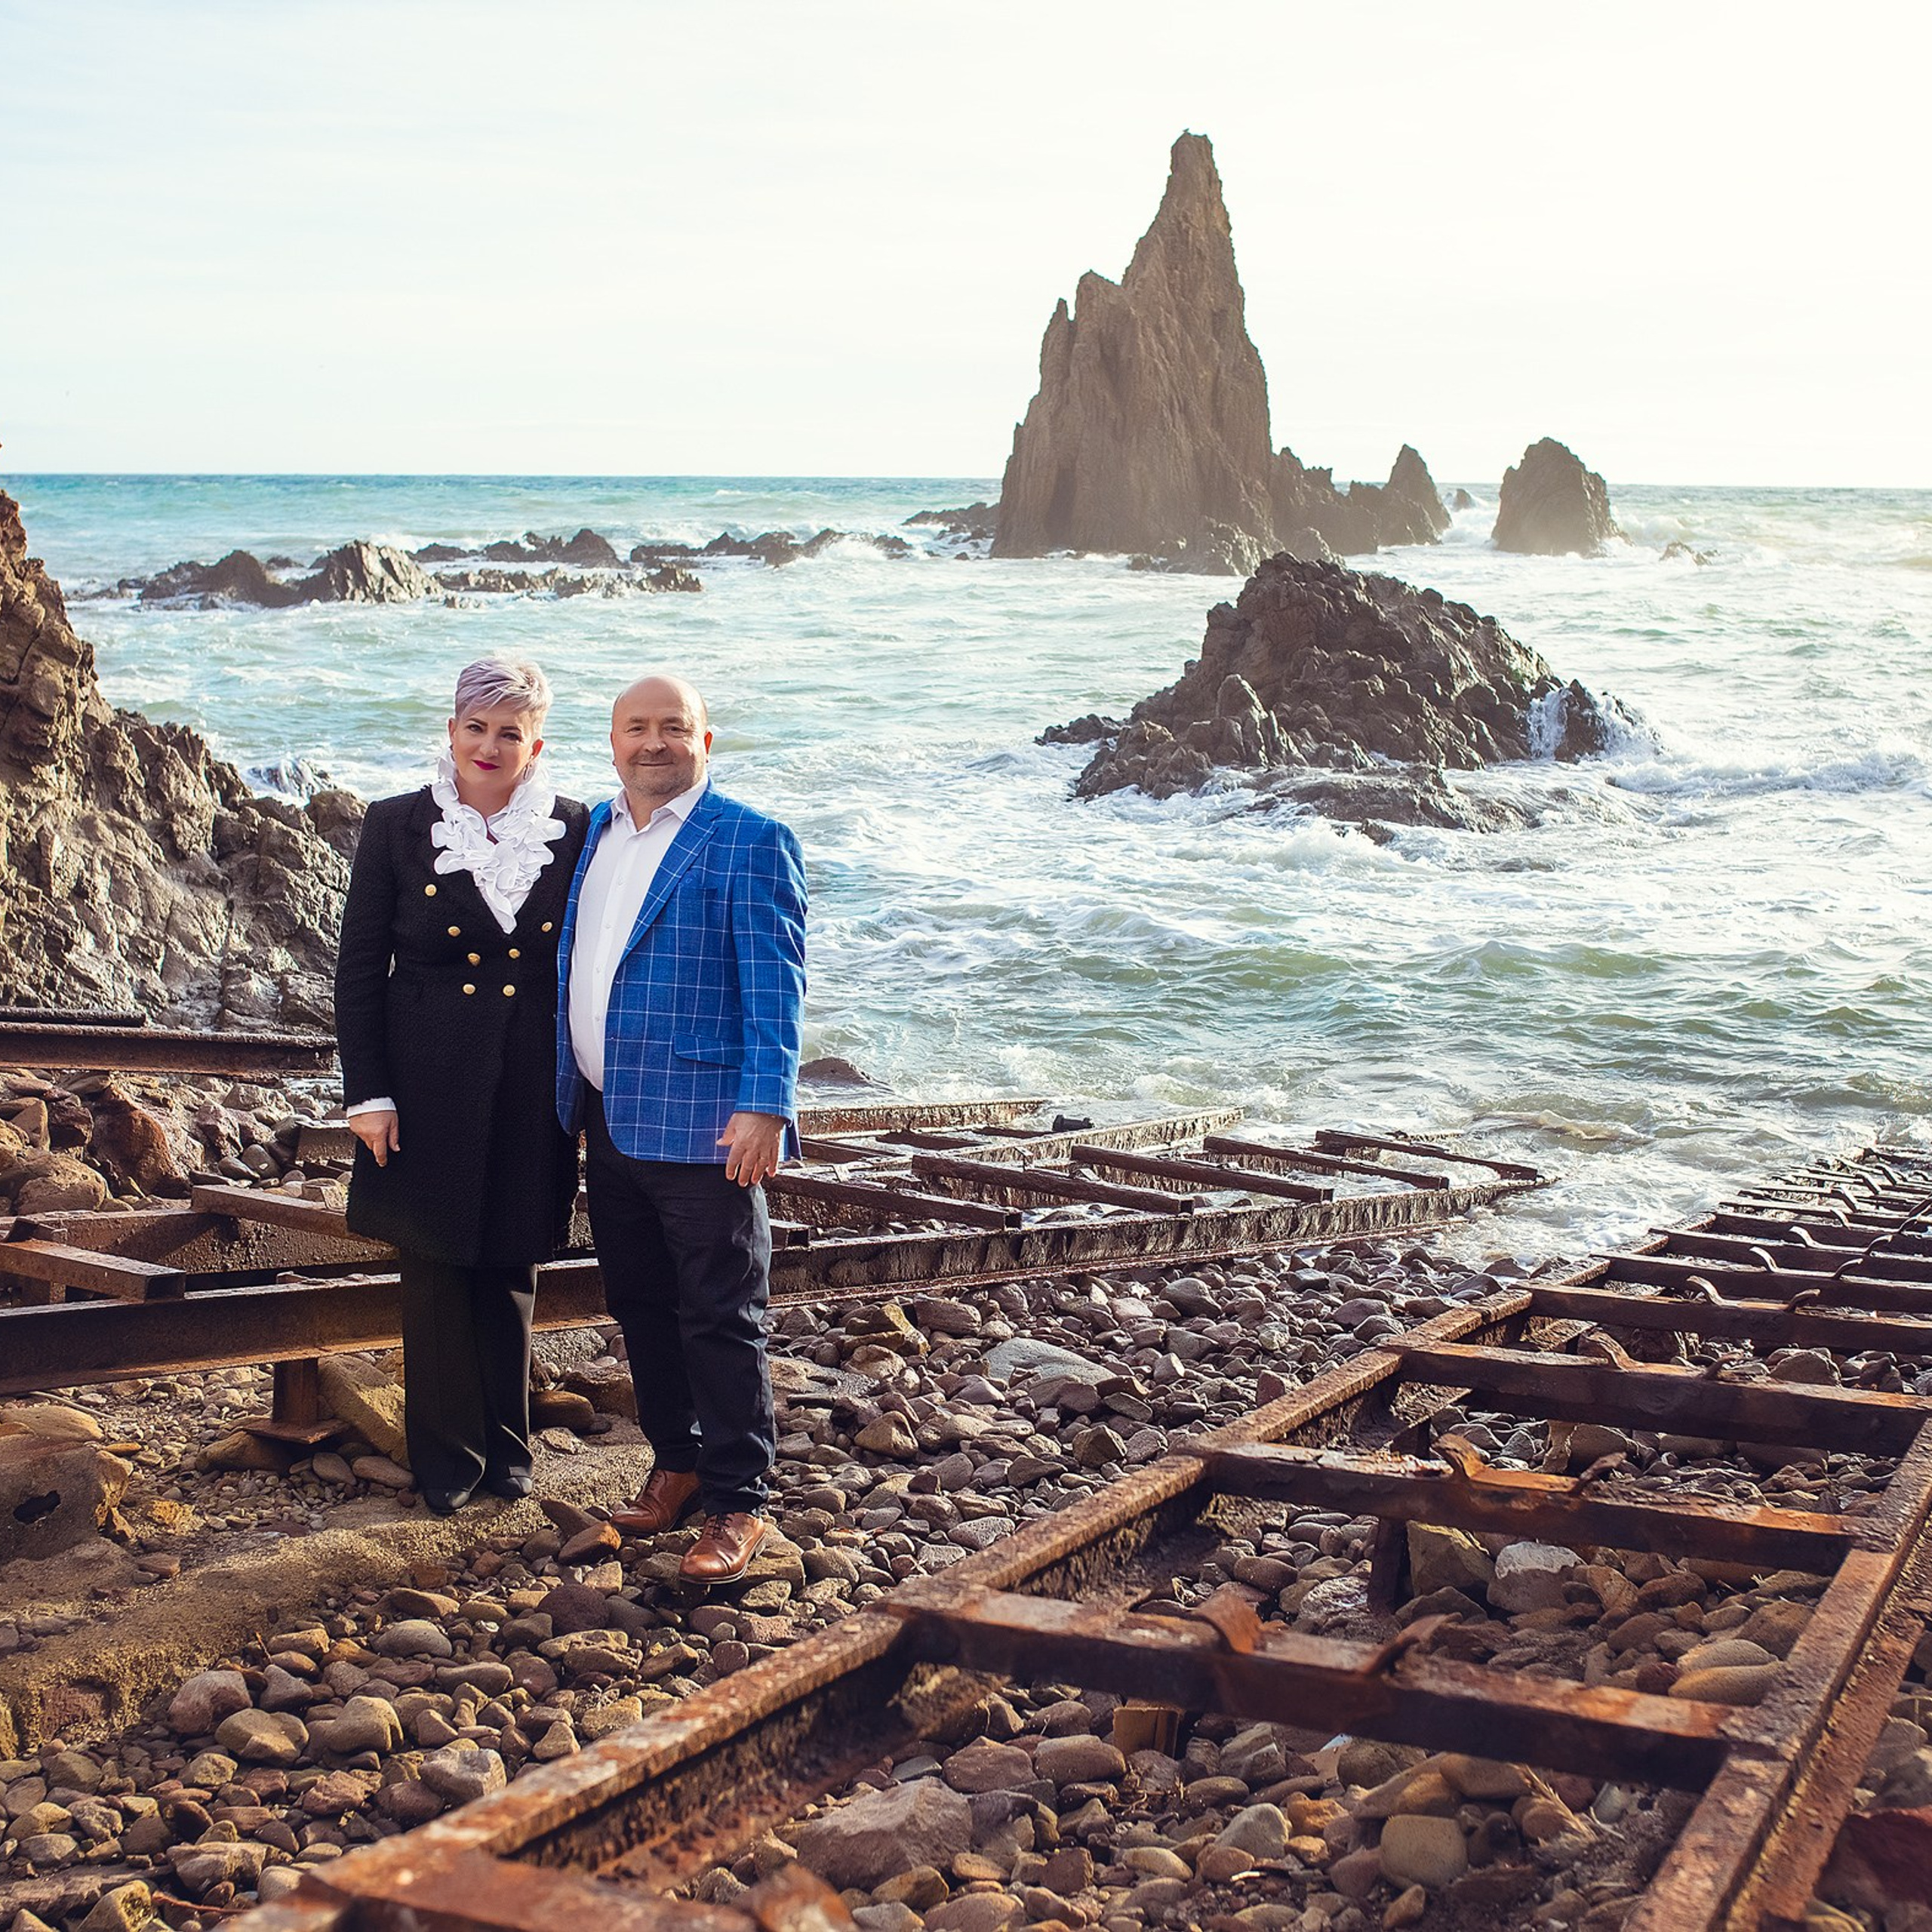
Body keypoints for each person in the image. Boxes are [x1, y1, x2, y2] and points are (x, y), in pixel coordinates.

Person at [556, 672, 807, 1585]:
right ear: (612, 740)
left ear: (708, 739)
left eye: (673, 727)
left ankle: (740, 1502)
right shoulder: (590, 831)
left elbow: (776, 983)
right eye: (636, 728)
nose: (653, 743)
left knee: (722, 1312)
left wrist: (765, 1104)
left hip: (708, 1126)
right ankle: (677, 1462)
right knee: (642, 1306)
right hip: (607, 1118)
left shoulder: (749, 839)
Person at [335, 657, 589, 1514]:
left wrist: (589, 1092)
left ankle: (508, 1451)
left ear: (534, 742)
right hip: (423, 1081)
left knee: (511, 1262)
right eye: (475, 727)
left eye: (509, 731)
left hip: (528, 1079)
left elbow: (590, 967)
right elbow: (360, 971)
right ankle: (446, 1461)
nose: (489, 745)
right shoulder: (395, 825)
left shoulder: (574, 828)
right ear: (451, 732)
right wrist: (368, 1093)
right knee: (435, 1265)